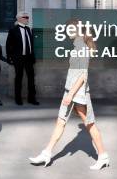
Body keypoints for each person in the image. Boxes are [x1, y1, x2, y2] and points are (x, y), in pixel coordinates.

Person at [29, 19, 109, 169]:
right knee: (61, 121)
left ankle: (103, 156)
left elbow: (83, 75)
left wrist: (70, 94)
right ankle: (46, 154)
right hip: (71, 91)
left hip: (77, 92)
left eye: (70, 29)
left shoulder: (81, 47)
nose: (67, 32)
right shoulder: (78, 45)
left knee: (89, 123)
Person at [6, 11, 39, 105]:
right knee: (18, 78)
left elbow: (31, 44)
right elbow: (9, 45)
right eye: (25, 17)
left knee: (31, 78)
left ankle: (32, 98)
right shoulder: (13, 30)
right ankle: (18, 99)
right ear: (19, 18)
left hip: (29, 58)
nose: (27, 19)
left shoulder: (29, 29)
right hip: (18, 58)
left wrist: (33, 57)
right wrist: (9, 57)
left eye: (28, 17)